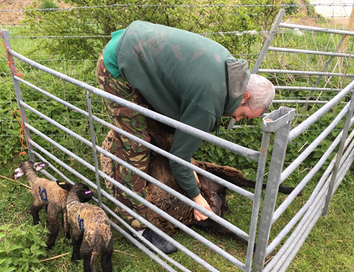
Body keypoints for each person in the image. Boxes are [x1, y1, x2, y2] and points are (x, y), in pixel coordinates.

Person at [96, 21, 275, 254]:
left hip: (136, 46)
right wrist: (196, 198)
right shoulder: (209, 100)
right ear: (245, 96)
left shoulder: (231, 71)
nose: (239, 119)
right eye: (243, 115)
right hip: (117, 66)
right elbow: (178, 157)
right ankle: (136, 224)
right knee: (133, 144)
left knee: (158, 127)